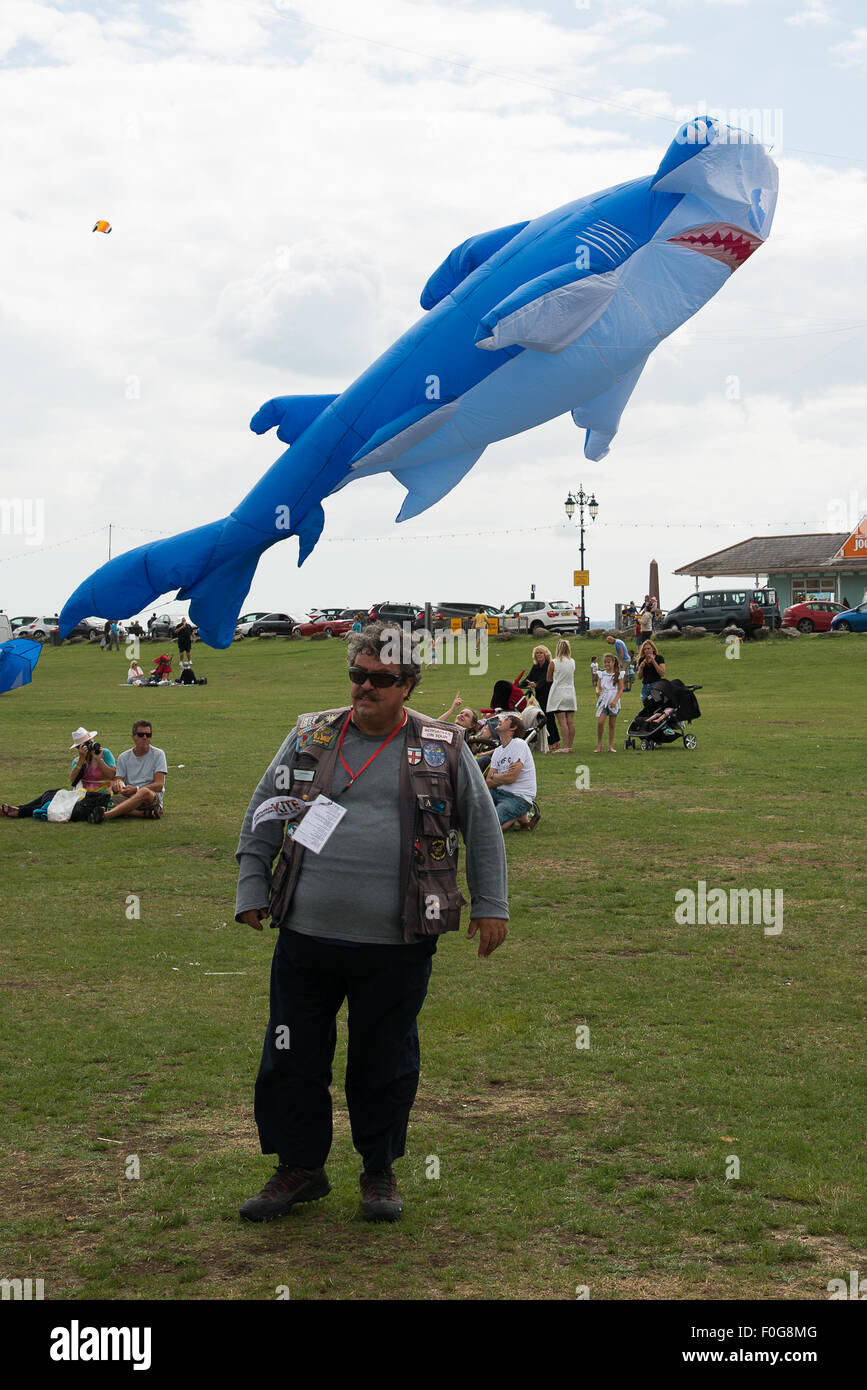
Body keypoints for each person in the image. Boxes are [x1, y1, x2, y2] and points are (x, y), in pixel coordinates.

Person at [234, 622, 508, 1225]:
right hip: (306, 933)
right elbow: (264, 809)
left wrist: (491, 904)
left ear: (408, 684)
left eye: (380, 679)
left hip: (398, 939)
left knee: (384, 1060)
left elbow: (482, 826)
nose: (364, 687)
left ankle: (378, 1171)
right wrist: (251, 883)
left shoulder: (441, 745)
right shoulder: (312, 733)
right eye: (357, 675)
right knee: (291, 1055)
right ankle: (299, 1168)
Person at [2, 725, 116, 822]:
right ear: (78, 748)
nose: (90, 745)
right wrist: (82, 760)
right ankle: (19, 809)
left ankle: (20, 811)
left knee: (53, 804)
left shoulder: (104, 753)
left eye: (90, 742)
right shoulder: (77, 761)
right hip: (80, 795)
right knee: (50, 794)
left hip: (99, 797)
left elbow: (112, 775)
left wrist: (99, 760)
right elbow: (72, 781)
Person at [485, 713, 539, 831]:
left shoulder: (519, 744)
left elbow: (511, 779)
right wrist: (500, 777)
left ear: (513, 727)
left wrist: (495, 776)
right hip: (498, 792)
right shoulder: (498, 751)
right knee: (474, 805)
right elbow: (488, 782)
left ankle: (517, 816)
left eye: (505, 719)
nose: (500, 720)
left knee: (490, 826)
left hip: (518, 797)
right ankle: (521, 817)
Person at [104, 721, 167, 819]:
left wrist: (136, 789)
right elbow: (118, 780)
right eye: (141, 734)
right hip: (129, 798)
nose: (145, 737)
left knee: (144, 792)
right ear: (133, 737)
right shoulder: (123, 757)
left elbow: (159, 785)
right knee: (102, 799)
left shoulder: (158, 754)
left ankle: (107, 815)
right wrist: (117, 787)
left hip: (150, 797)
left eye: (148, 735)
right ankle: (142, 814)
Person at [522, 644, 560, 750]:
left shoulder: (549, 665)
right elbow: (528, 678)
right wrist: (519, 684)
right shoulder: (535, 667)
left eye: (541, 653)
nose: (539, 655)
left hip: (548, 694)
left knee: (549, 717)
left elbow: (545, 679)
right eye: (537, 653)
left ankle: (554, 740)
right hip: (539, 695)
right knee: (541, 717)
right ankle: (547, 740)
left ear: (545, 654)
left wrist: (537, 684)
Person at [546, 640, 577, 754]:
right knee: (570, 721)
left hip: (559, 693)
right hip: (570, 692)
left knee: (562, 722)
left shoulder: (554, 662)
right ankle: (569, 746)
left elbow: (549, 678)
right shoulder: (572, 661)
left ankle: (564, 747)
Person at [595, 653, 625, 753]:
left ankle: (610, 746)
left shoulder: (618, 675)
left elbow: (621, 689)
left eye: (609, 662)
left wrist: (615, 700)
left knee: (612, 725)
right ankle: (599, 744)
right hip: (604, 700)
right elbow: (598, 686)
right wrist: (597, 690)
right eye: (605, 662)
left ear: (613, 662)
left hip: (613, 700)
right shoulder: (601, 673)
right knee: (600, 722)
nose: (607, 664)